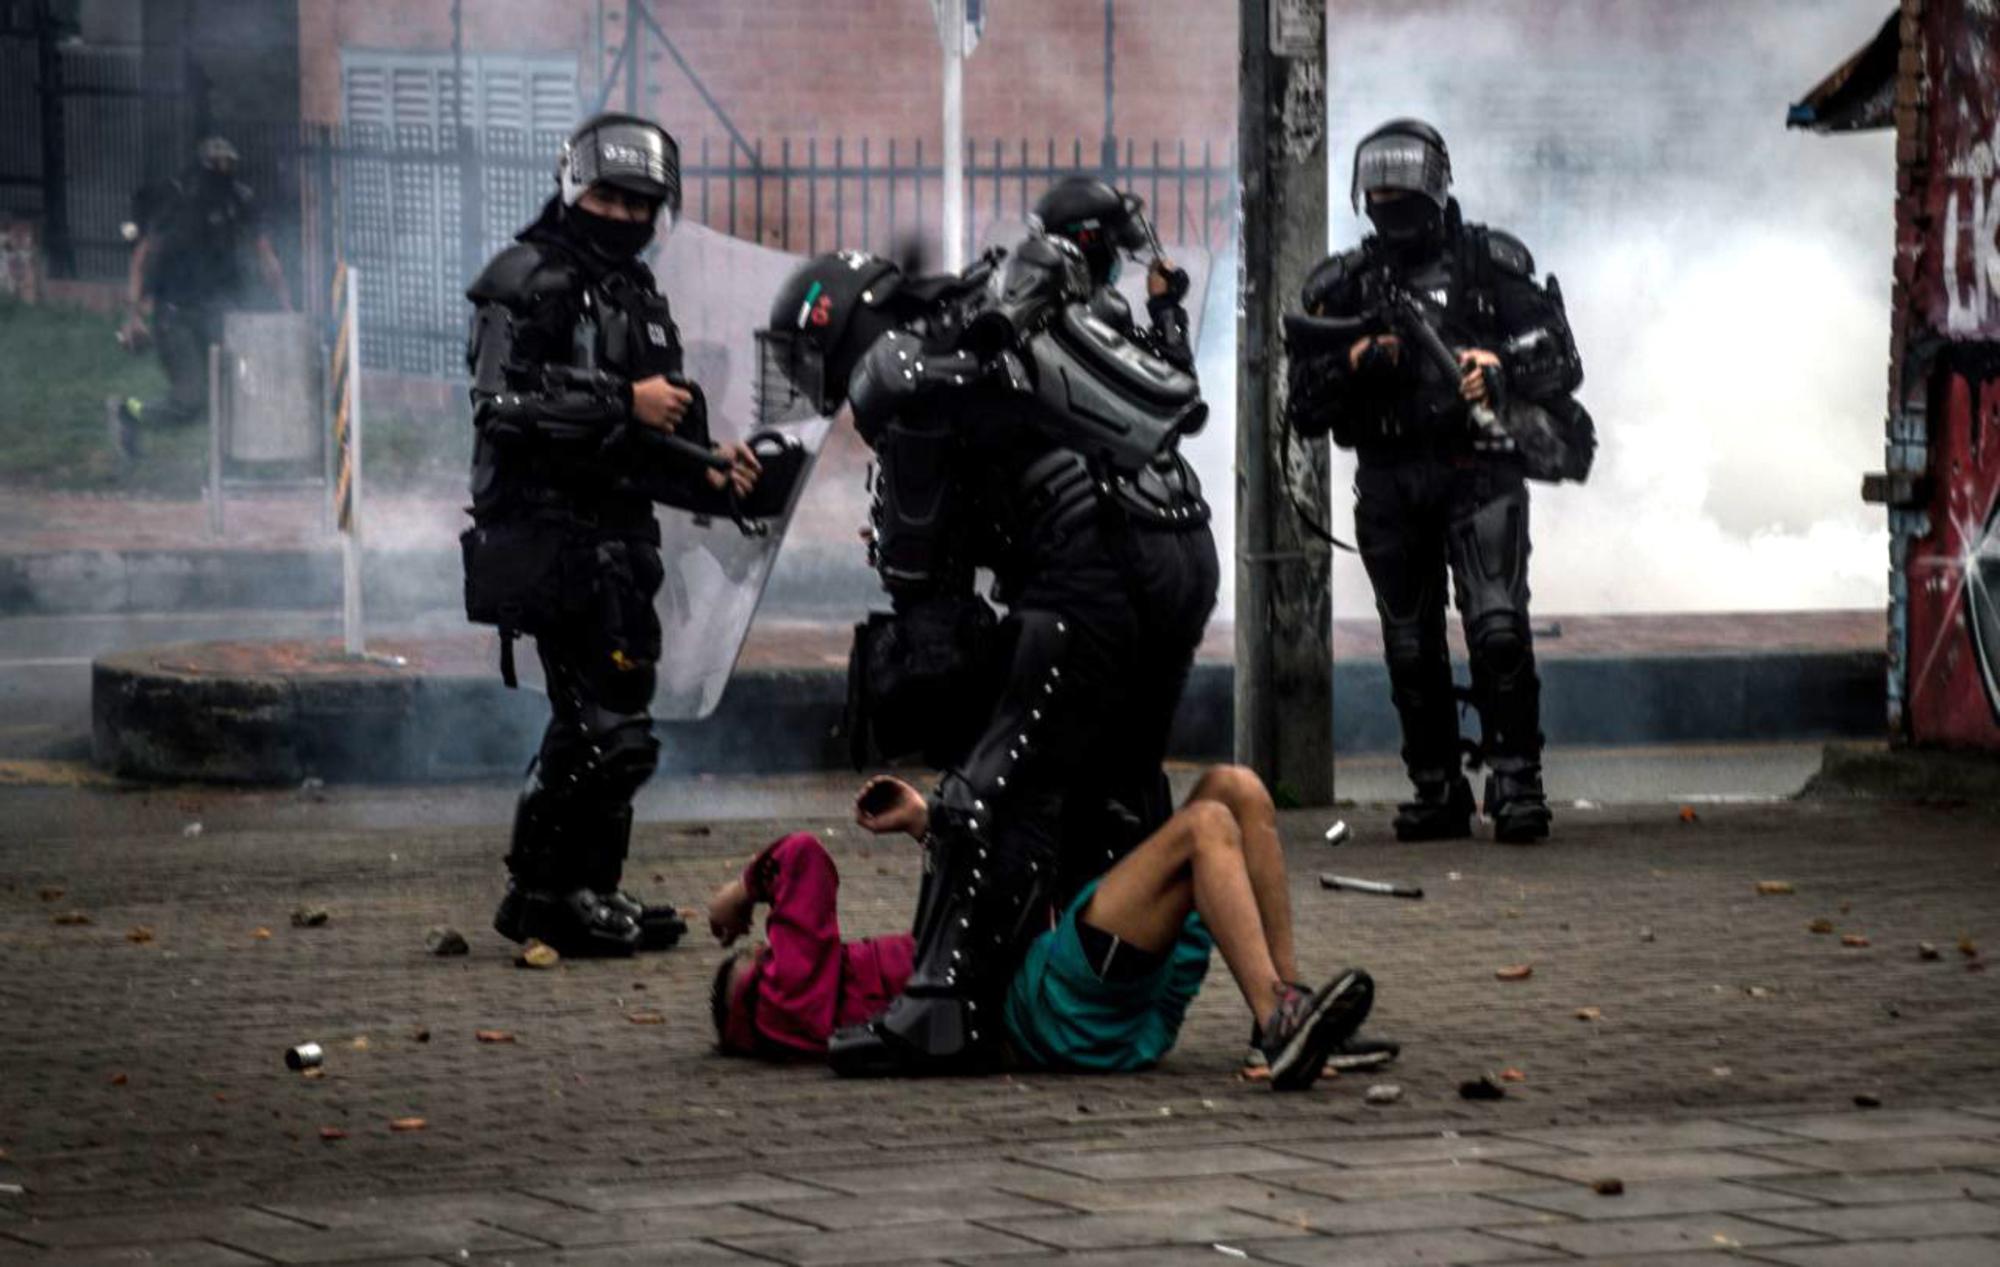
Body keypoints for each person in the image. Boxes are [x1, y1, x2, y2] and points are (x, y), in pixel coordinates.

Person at [757, 194, 1217, 1076]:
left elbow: (924, 595)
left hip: (1085, 572)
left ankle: (941, 1010)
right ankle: (1099, 987)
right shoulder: (999, 322)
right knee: (1112, 779)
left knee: (990, 788)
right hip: (1177, 547)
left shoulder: (909, 373)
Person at [460, 112, 764, 957]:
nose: (626, 217)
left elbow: (643, 445)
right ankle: (542, 894)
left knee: (615, 725)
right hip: (549, 537)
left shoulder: (633, 292)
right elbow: (501, 408)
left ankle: (586, 887)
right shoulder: (522, 279)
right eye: (612, 197)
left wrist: (705, 468)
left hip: (619, 540)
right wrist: (622, 402)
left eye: (643, 203)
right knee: (602, 728)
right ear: (573, 186)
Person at [1286, 119, 1592, 845]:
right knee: (1409, 645)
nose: (1389, 195)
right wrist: (1356, 361)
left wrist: (1500, 367)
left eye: (1402, 180)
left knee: (1496, 628)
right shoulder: (1344, 284)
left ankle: (1518, 782)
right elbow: (1302, 405)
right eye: (1378, 183)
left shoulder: (1490, 265)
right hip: (1391, 480)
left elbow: (1562, 359)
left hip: (1479, 470)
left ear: (1435, 183)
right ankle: (1436, 787)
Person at [707, 766, 1385, 1090]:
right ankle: (1279, 1020)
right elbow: (804, 859)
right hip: (1048, 1005)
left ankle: (1285, 1006)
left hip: (1069, 986)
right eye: (761, 954)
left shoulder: (837, 992)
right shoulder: (781, 1007)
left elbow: (958, 916)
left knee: (1234, 788)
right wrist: (738, 895)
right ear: (751, 999)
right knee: (1206, 827)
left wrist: (925, 820)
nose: (774, 945)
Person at [112, 136, 292, 456]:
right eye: (217, 165)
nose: (224, 171)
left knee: (233, 393)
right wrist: (134, 316)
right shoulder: (178, 198)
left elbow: (265, 255)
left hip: (220, 309)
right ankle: (130, 413)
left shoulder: (239, 199)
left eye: (229, 164)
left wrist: (286, 306)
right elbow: (143, 255)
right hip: (175, 313)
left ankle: (228, 466)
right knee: (191, 400)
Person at [1028, 175, 1193, 373]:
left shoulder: (1033, 306)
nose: (1116, 257)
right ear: (1091, 245)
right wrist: (1166, 308)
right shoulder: (1104, 310)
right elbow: (1175, 378)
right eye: (1113, 247)